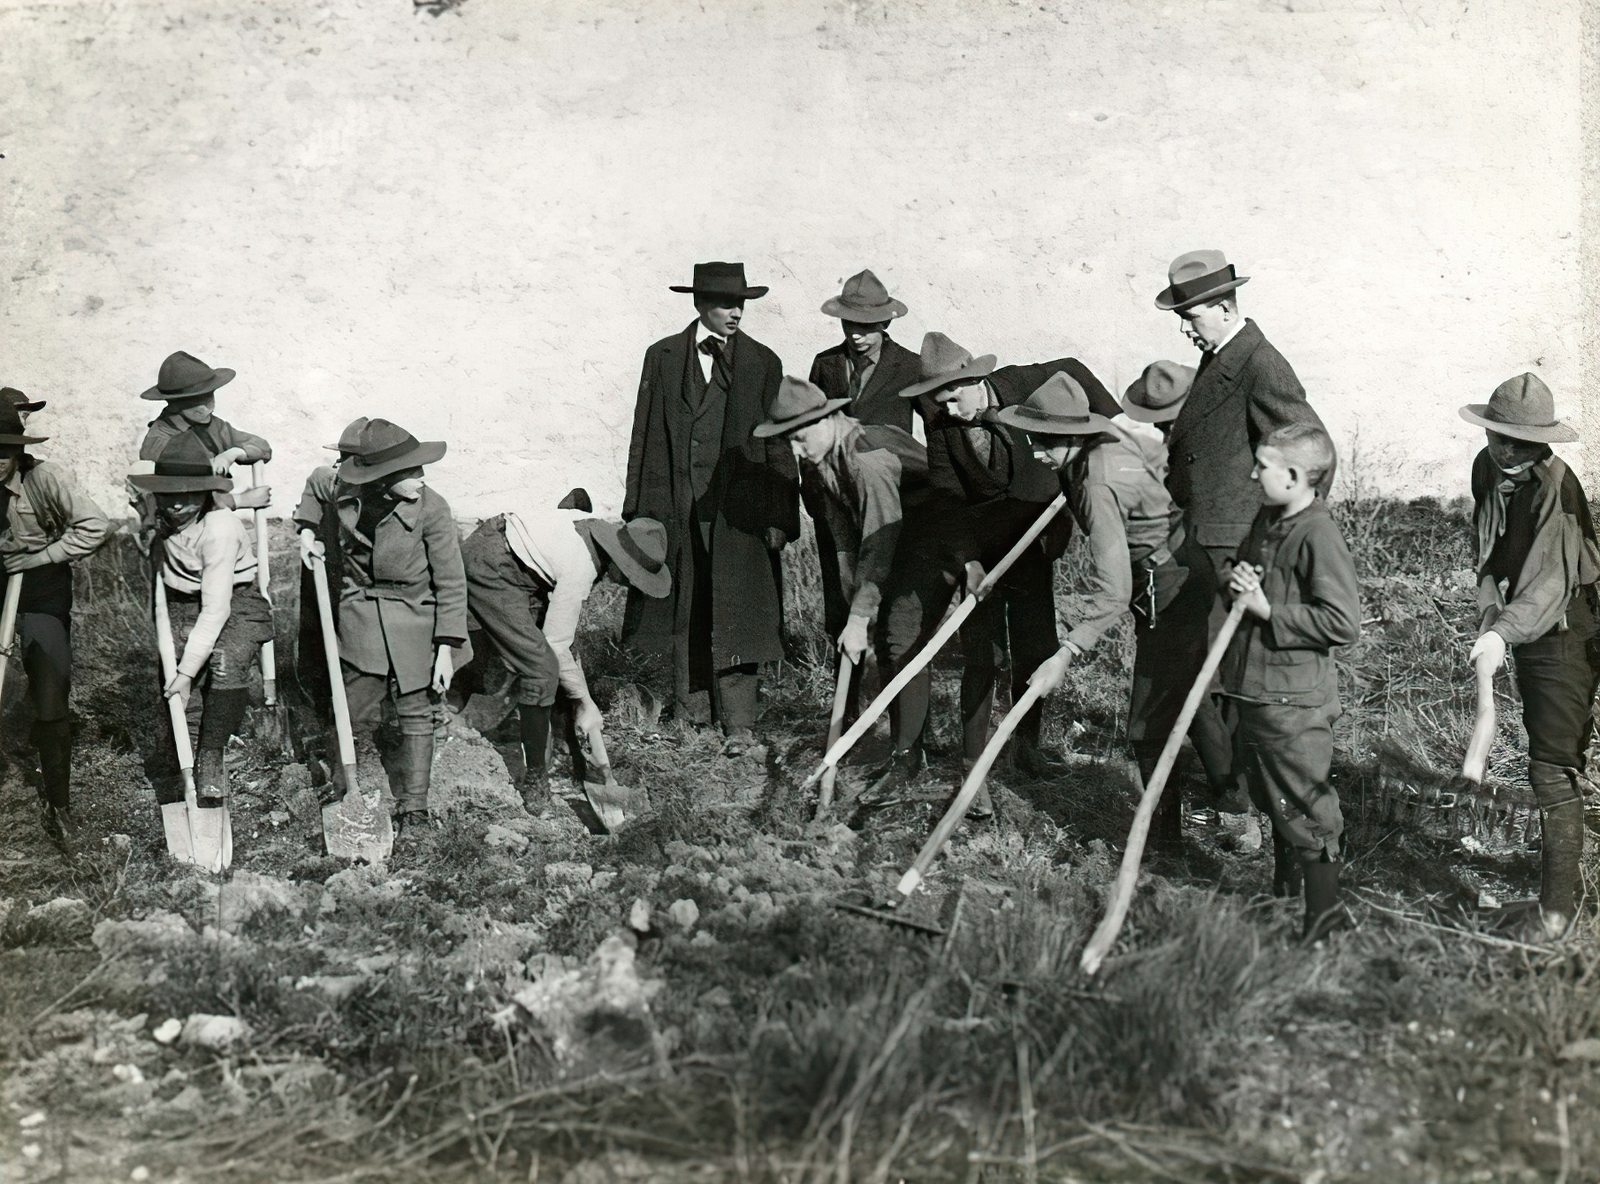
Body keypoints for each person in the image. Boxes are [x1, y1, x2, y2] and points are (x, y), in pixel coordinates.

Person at [1003, 364, 1231, 845]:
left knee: (1149, 723)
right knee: (1200, 699)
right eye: (1031, 440)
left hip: (1166, 584)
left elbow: (1113, 592)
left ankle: (1166, 841)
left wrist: (1066, 652)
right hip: (1190, 570)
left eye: (1045, 442)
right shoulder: (1106, 444)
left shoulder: (1096, 482)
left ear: (1074, 435)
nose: (1037, 453)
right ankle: (1237, 808)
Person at [896, 331, 1118, 787]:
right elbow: (947, 497)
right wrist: (970, 562)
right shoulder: (941, 424)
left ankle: (1025, 748)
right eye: (940, 402)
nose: (948, 410)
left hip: (1036, 536)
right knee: (983, 653)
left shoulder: (1024, 384)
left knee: (1035, 645)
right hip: (986, 552)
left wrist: (1116, 430)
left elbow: (1075, 366)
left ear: (977, 378)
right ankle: (972, 760)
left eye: (955, 398)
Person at [753, 377, 971, 809]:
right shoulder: (821, 462)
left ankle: (908, 760)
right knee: (887, 637)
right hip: (897, 536)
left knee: (899, 638)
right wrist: (853, 603)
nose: (796, 452)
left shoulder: (868, 460)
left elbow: (879, 541)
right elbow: (843, 537)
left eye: (799, 438)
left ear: (828, 419)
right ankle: (909, 748)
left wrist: (859, 619)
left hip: (940, 533)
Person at [622, 261, 798, 756]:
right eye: (726, 304)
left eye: (741, 303)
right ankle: (690, 710)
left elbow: (781, 441)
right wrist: (638, 508)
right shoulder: (662, 357)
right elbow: (642, 434)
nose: (736, 312)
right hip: (675, 506)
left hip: (738, 513)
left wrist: (780, 515)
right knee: (685, 606)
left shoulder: (763, 362)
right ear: (700, 305)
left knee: (739, 609)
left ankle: (739, 723)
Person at [1460, 373, 1599, 941]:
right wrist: (1488, 579)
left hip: (1567, 626)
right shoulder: (1486, 467)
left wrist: (1501, 635)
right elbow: (1489, 538)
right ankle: (1552, 906)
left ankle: (1556, 916)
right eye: (1499, 435)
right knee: (1548, 751)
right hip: (1522, 618)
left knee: (1553, 764)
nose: (1505, 449)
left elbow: (1551, 580)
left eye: (1519, 441)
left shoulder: (1557, 488)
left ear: (1543, 440)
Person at [1220, 423, 1360, 942]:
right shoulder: (1268, 517)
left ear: (1297, 475)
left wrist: (1268, 610)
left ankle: (1322, 925)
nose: (1254, 473)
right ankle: (1284, 899)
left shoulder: (1317, 533)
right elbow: (1248, 571)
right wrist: (1236, 578)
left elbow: (1342, 622)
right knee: (1270, 797)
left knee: (1306, 807)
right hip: (1253, 688)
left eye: (1263, 465)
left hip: (1293, 698)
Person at [299, 419, 467, 840]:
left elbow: (451, 582)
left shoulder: (432, 508)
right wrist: (306, 530)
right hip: (360, 614)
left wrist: (445, 648)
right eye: (411, 472)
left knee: (416, 709)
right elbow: (316, 484)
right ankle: (344, 795)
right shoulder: (344, 489)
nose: (420, 478)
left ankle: (415, 808)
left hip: (415, 615)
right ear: (382, 478)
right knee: (352, 708)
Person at [457, 501, 671, 810]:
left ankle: (457, 715)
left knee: (520, 658)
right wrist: (586, 702)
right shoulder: (580, 566)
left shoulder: (589, 533)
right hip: (493, 563)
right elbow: (555, 645)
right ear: (617, 559)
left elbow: (563, 639)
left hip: (512, 558)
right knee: (540, 667)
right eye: (628, 575)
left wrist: (578, 689)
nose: (626, 584)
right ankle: (535, 781)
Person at [131, 433, 273, 819]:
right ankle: (187, 763)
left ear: (208, 493)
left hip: (234, 601)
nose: (177, 503)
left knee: (224, 660)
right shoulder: (158, 509)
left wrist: (187, 669)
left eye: (190, 494)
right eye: (167, 494)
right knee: (179, 687)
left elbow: (216, 610)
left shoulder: (220, 528)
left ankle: (211, 754)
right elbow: (137, 483)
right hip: (179, 601)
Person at [806, 270, 925, 718]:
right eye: (849, 325)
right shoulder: (826, 364)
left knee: (892, 613)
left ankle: (902, 721)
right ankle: (849, 713)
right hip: (837, 504)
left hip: (888, 506)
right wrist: (815, 495)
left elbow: (932, 431)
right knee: (843, 610)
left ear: (886, 323)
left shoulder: (910, 367)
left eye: (867, 327)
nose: (857, 336)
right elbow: (809, 428)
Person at [0, 403, 111, 845]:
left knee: (50, 690)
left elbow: (94, 525)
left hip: (42, 591)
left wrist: (40, 555)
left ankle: (59, 806)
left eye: (2, 452)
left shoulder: (45, 479)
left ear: (16, 451)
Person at [292, 418, 368, 722]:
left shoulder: (395, 497)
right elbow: (316, 480)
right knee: (324, 639)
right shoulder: (337, 482)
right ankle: (326, 712)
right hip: (338, 572)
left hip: (374, 580)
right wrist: (308, 531)